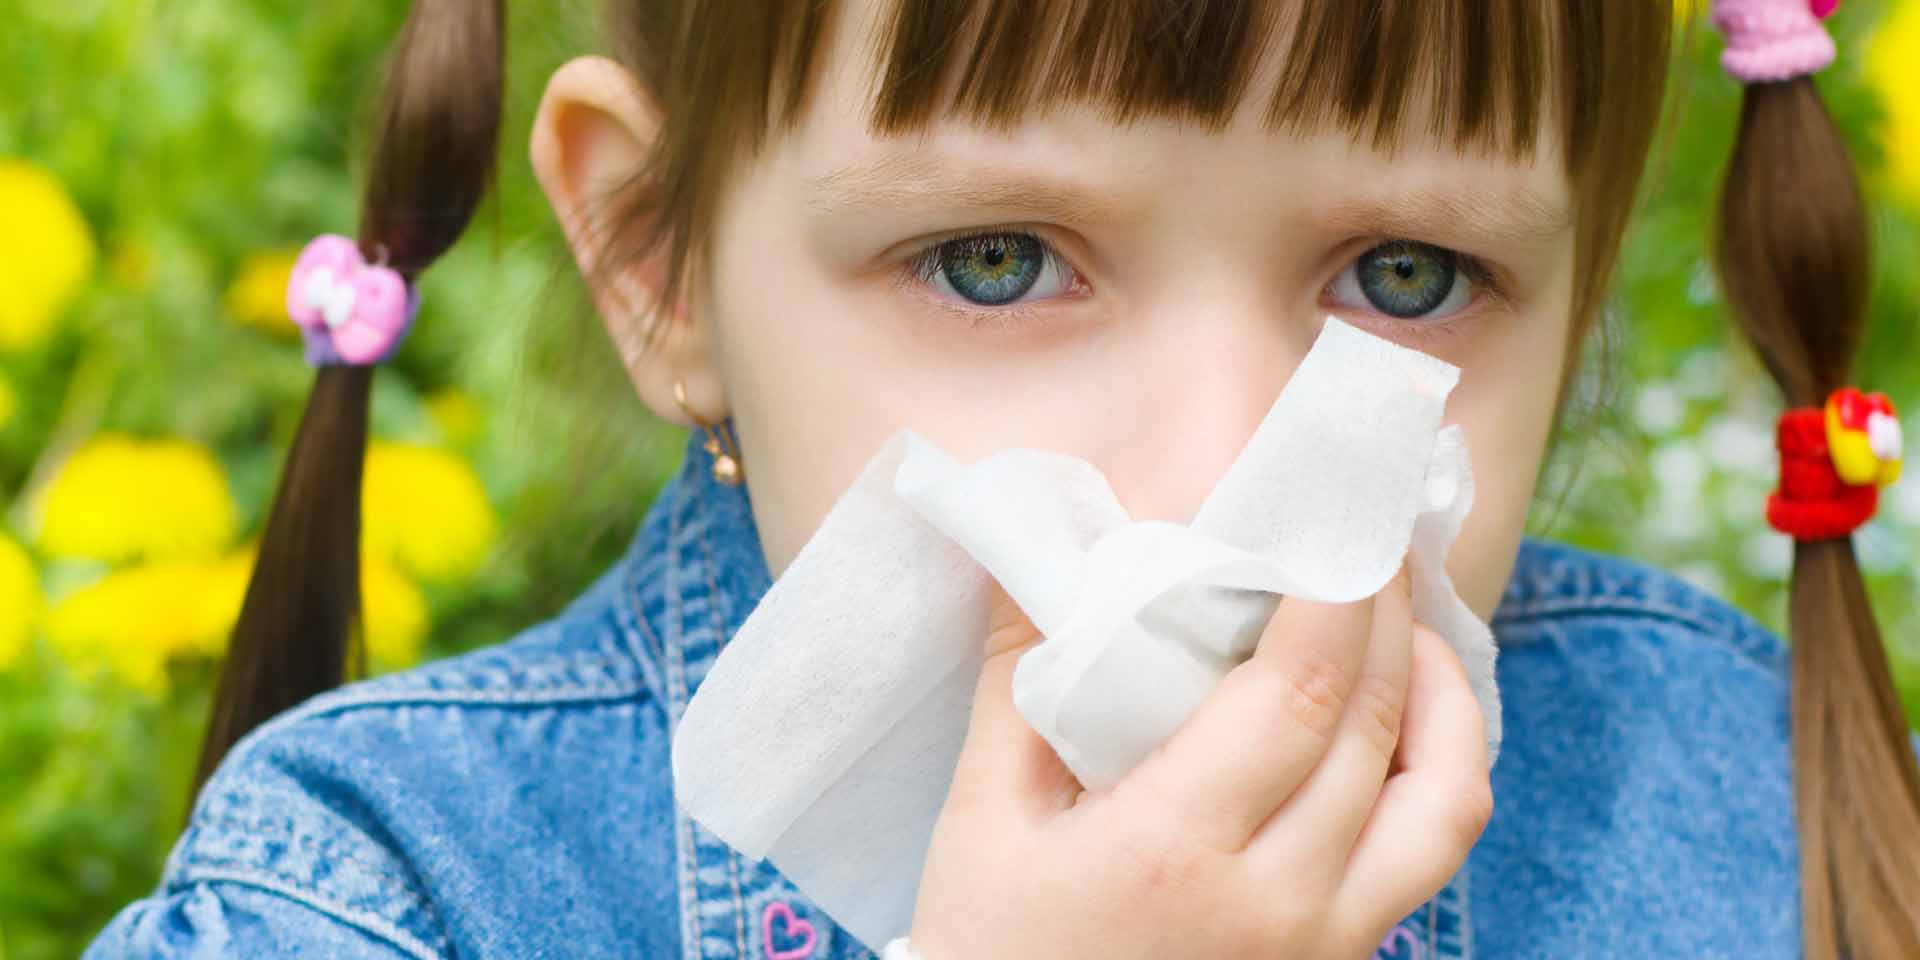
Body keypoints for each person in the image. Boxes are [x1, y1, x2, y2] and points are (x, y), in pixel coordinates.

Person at [83, 0, 1920, 957]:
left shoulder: (1745, 823)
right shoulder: (383, 897)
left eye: (1408, 281)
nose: (1217, 471)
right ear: (658, 259)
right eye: (995, 263)